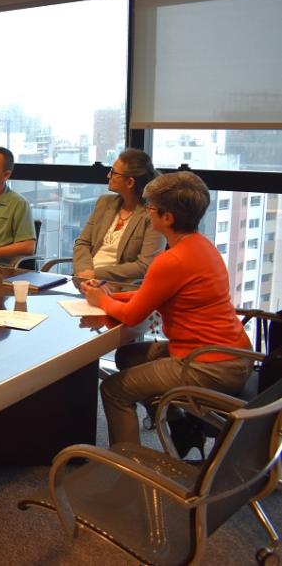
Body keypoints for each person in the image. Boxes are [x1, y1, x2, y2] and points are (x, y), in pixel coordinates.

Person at [82, 171, 253, 446]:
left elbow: (132, 316)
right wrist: (115, 293)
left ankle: (126, 467)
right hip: (233, 354)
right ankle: (180, 425)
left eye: (149, 208)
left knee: (113, 389)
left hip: (209, 366)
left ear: (167, 217)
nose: (147, 213)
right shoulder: (202, 246)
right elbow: (153, 294)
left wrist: (100, 300)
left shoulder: (171, 260)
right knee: (129, 357)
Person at [72, 149, 164, 282]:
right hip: (85, 279)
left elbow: (145, 265)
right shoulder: (104, 203)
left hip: (120, 286)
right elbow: (82, 243)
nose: (108, 175)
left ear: (130, 182)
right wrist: (83, 271)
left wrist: (96, 274)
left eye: (114, 172)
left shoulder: (152, 214)